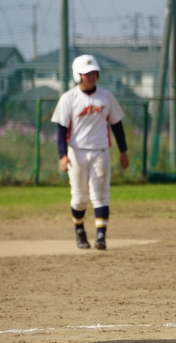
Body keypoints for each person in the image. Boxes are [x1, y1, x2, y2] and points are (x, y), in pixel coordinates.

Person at [51, 54, 129, 250]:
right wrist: (62, 155)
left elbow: (117, 125)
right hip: (76, 152)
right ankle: (80, 231)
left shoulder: (106, 97)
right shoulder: (69, 98)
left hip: (100, 151)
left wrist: (123, 151)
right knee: (79, 197)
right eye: (87, 73)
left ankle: (101, 236)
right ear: (78, 75)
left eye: (94, 72)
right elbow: (61, 130)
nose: (91, 76)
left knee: (101, 195)